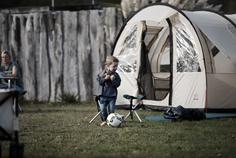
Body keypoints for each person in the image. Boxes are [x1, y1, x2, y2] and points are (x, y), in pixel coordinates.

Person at [97, 56, 121, 126]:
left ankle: (111, 121)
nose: (116, 68)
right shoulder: (102, 74)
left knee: (111, 110)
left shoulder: (116, 75)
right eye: (114, 66)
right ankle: (105, 120)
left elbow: (118, 84)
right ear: (107, 66)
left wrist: (113, 80)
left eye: (117, 66)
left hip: (112, 96)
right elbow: (100, 82)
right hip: (103, 95)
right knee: (103, 109)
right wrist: (105, 79)